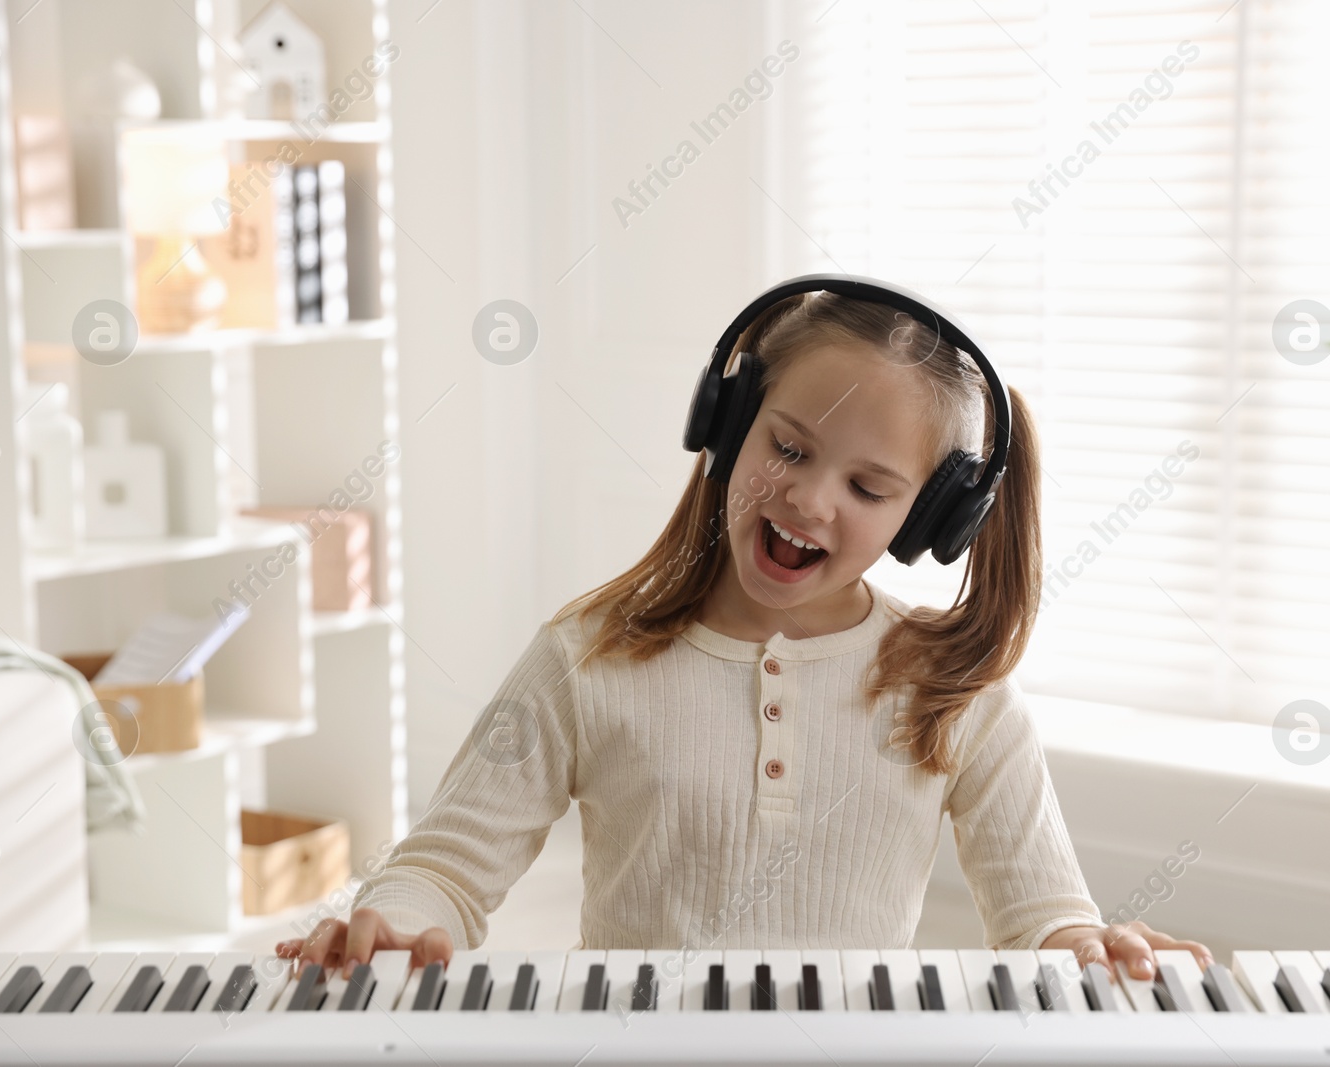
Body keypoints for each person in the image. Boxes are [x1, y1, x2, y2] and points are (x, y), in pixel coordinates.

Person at [278, 281, 1212, 986]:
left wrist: (1091, 945)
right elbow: (447, 864)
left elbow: (1043, 918)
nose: (808, 498)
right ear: (728, 427)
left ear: (929, 518)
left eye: (868, 487)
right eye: (789, 448)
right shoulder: (586, 656)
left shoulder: (955, 690)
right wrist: (393, 917)